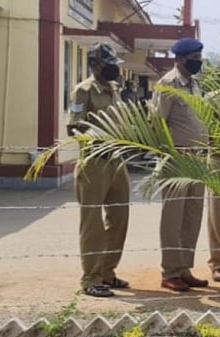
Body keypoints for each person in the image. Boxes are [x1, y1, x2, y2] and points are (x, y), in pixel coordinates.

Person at [68, 42, 130, 298]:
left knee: (119, 218)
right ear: (95, 65)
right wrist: (100, 135)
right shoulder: (83, 91)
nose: (114, 69)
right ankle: (90, 279)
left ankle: (107, 272)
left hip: (117, 160)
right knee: (92, 223)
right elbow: (73, 127)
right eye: (109, 65)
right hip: (94, 162)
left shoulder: (114, 89)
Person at [153, 38, 210, 292]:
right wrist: (166, 156)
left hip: (198, 159)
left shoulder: (195, 85)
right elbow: (157, 123)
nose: (197, 61)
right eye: (193, 58)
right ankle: (170, 271)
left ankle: (184, 268)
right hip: (177, 158)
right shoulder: (167, 84)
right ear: (180, 59)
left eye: (199, 57)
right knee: (173, 218)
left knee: (191, 216)